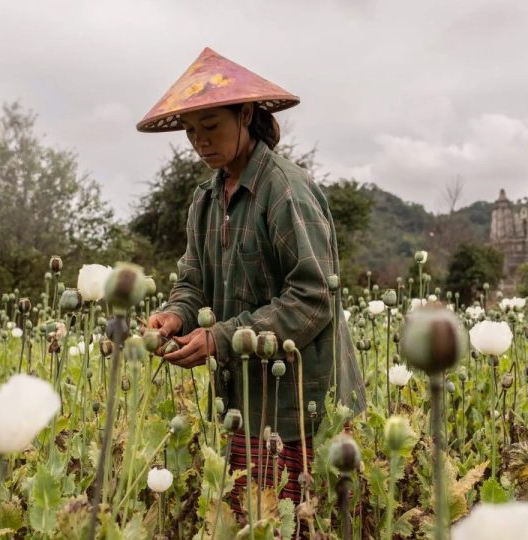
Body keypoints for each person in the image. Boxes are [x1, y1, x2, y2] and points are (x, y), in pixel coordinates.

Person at [138, 48, 365, 513]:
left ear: (246, 114)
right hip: (241, 395)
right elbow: (193, 281)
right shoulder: (203, 201)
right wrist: (175, 316)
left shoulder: (285, 190)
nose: (200, 141)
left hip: (301, 403)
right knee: (249, 516)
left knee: (296, 520)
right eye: (191, 131)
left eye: (212, 126)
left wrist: (220, 337)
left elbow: (314, 295)